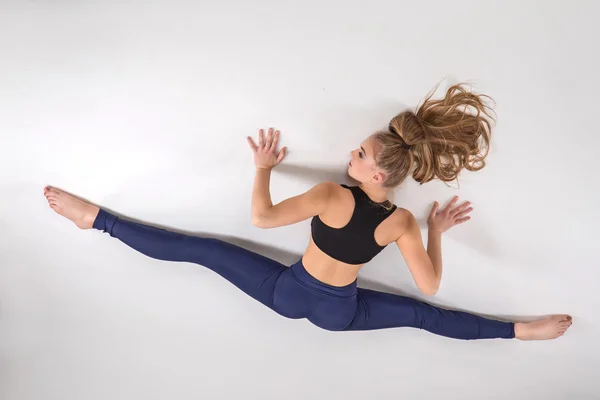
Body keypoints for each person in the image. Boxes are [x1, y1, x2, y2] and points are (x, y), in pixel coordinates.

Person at [43, 83, 571, 341]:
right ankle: (527, 333)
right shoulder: (403, 223)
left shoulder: (333, 195)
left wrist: (263, 167)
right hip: (340, 314)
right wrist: (434, 233)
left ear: (377, 175)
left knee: (199, 249)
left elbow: (261, 220)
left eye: (360, 155)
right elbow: (430, 288)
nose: (351, 156)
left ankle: (95, 219)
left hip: (287, 292)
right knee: (424, 317)